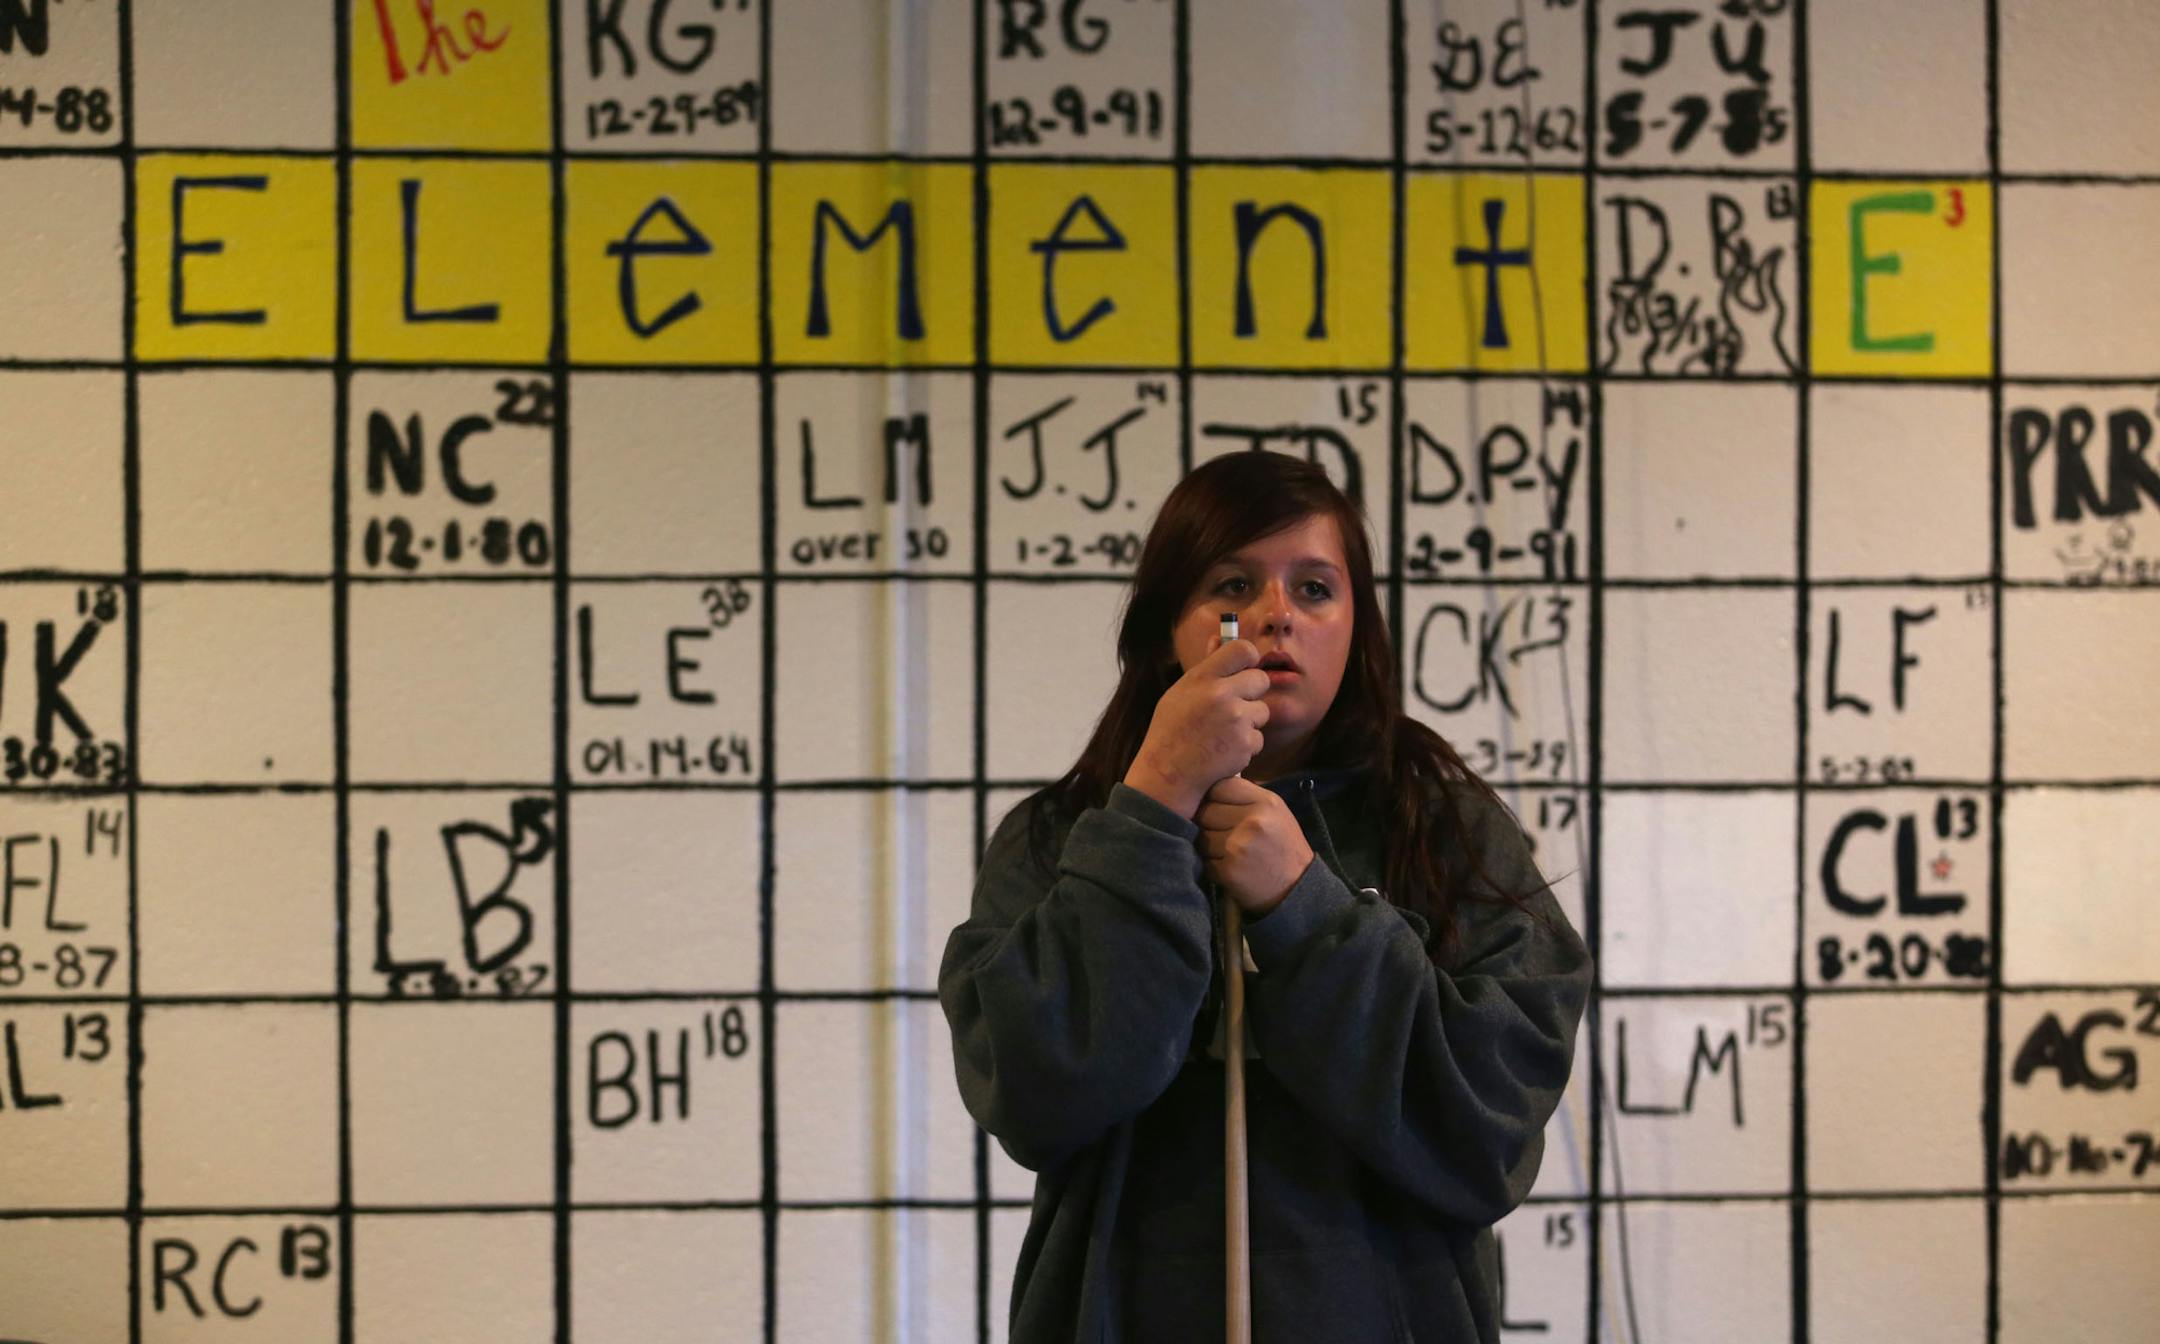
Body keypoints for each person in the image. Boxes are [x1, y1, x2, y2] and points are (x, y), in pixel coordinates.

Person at [938, 451, 1593, 1342]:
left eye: (1316, 588)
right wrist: (1155, 802)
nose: (1278, 615)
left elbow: (1490, 1131)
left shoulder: (1446, 826)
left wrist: (1306, 907)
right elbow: (1034, 1094)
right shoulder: (1060, 834)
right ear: (1170, 625)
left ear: (1357, 626)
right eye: (1235, 584)